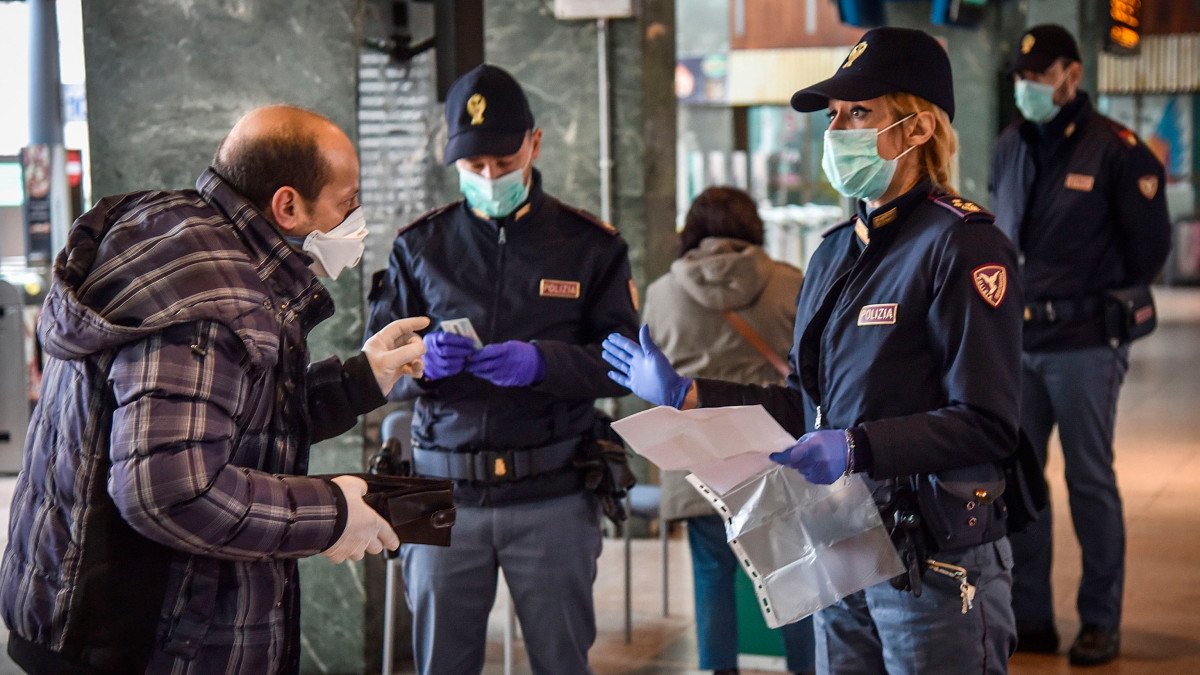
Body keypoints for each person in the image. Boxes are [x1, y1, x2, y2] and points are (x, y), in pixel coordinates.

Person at [605, 27, 1024, 674]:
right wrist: (690, 395)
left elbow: (987, 422)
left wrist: (859, 446)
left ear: (918, 128)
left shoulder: (961, 245)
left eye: (861, 113)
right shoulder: (834, 251)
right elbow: (805, 402)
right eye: (835, 116)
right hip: (843, 538)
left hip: (934, 554)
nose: (839, 131)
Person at [0, 105, 429, 674]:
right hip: (142, 643)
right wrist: (332, 513)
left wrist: (359, 379)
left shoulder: (184, 234)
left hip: (116, 621)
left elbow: (232, 417)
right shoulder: (212, 300)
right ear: (287, 205)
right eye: (346, 202)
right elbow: (170, 491)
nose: (357, 220)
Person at [365, 63, 639, 674]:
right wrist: (419, 364)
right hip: (442, 490)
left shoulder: (590, 246)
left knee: (561, 662)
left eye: (504, 163)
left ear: (534, 144)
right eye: (473, 167)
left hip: (553, 494)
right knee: (442, 663)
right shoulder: (419, 247)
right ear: (452, 157)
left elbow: (624, 368)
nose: (490, 177)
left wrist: (544, 363)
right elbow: (376, 367)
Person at [989, 24, 1172, 666]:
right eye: (1022, 76)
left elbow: (1150, 250)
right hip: (1018, 342)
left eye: (1039, 76)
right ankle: (1030, 616)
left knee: (1090, 480)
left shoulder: (1117, 151)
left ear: (1072, 75)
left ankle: (1100, 620)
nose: (1028, 87)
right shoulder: (1010, 146)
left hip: (1087, 341)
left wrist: (1099, 300)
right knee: (1020, 481)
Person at [647, 186, 813, 675]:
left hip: (697, 463)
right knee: (793, 580)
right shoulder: (790, 283)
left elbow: (653, 385)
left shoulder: (662, 293)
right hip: (775, 459)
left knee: (711, 579)